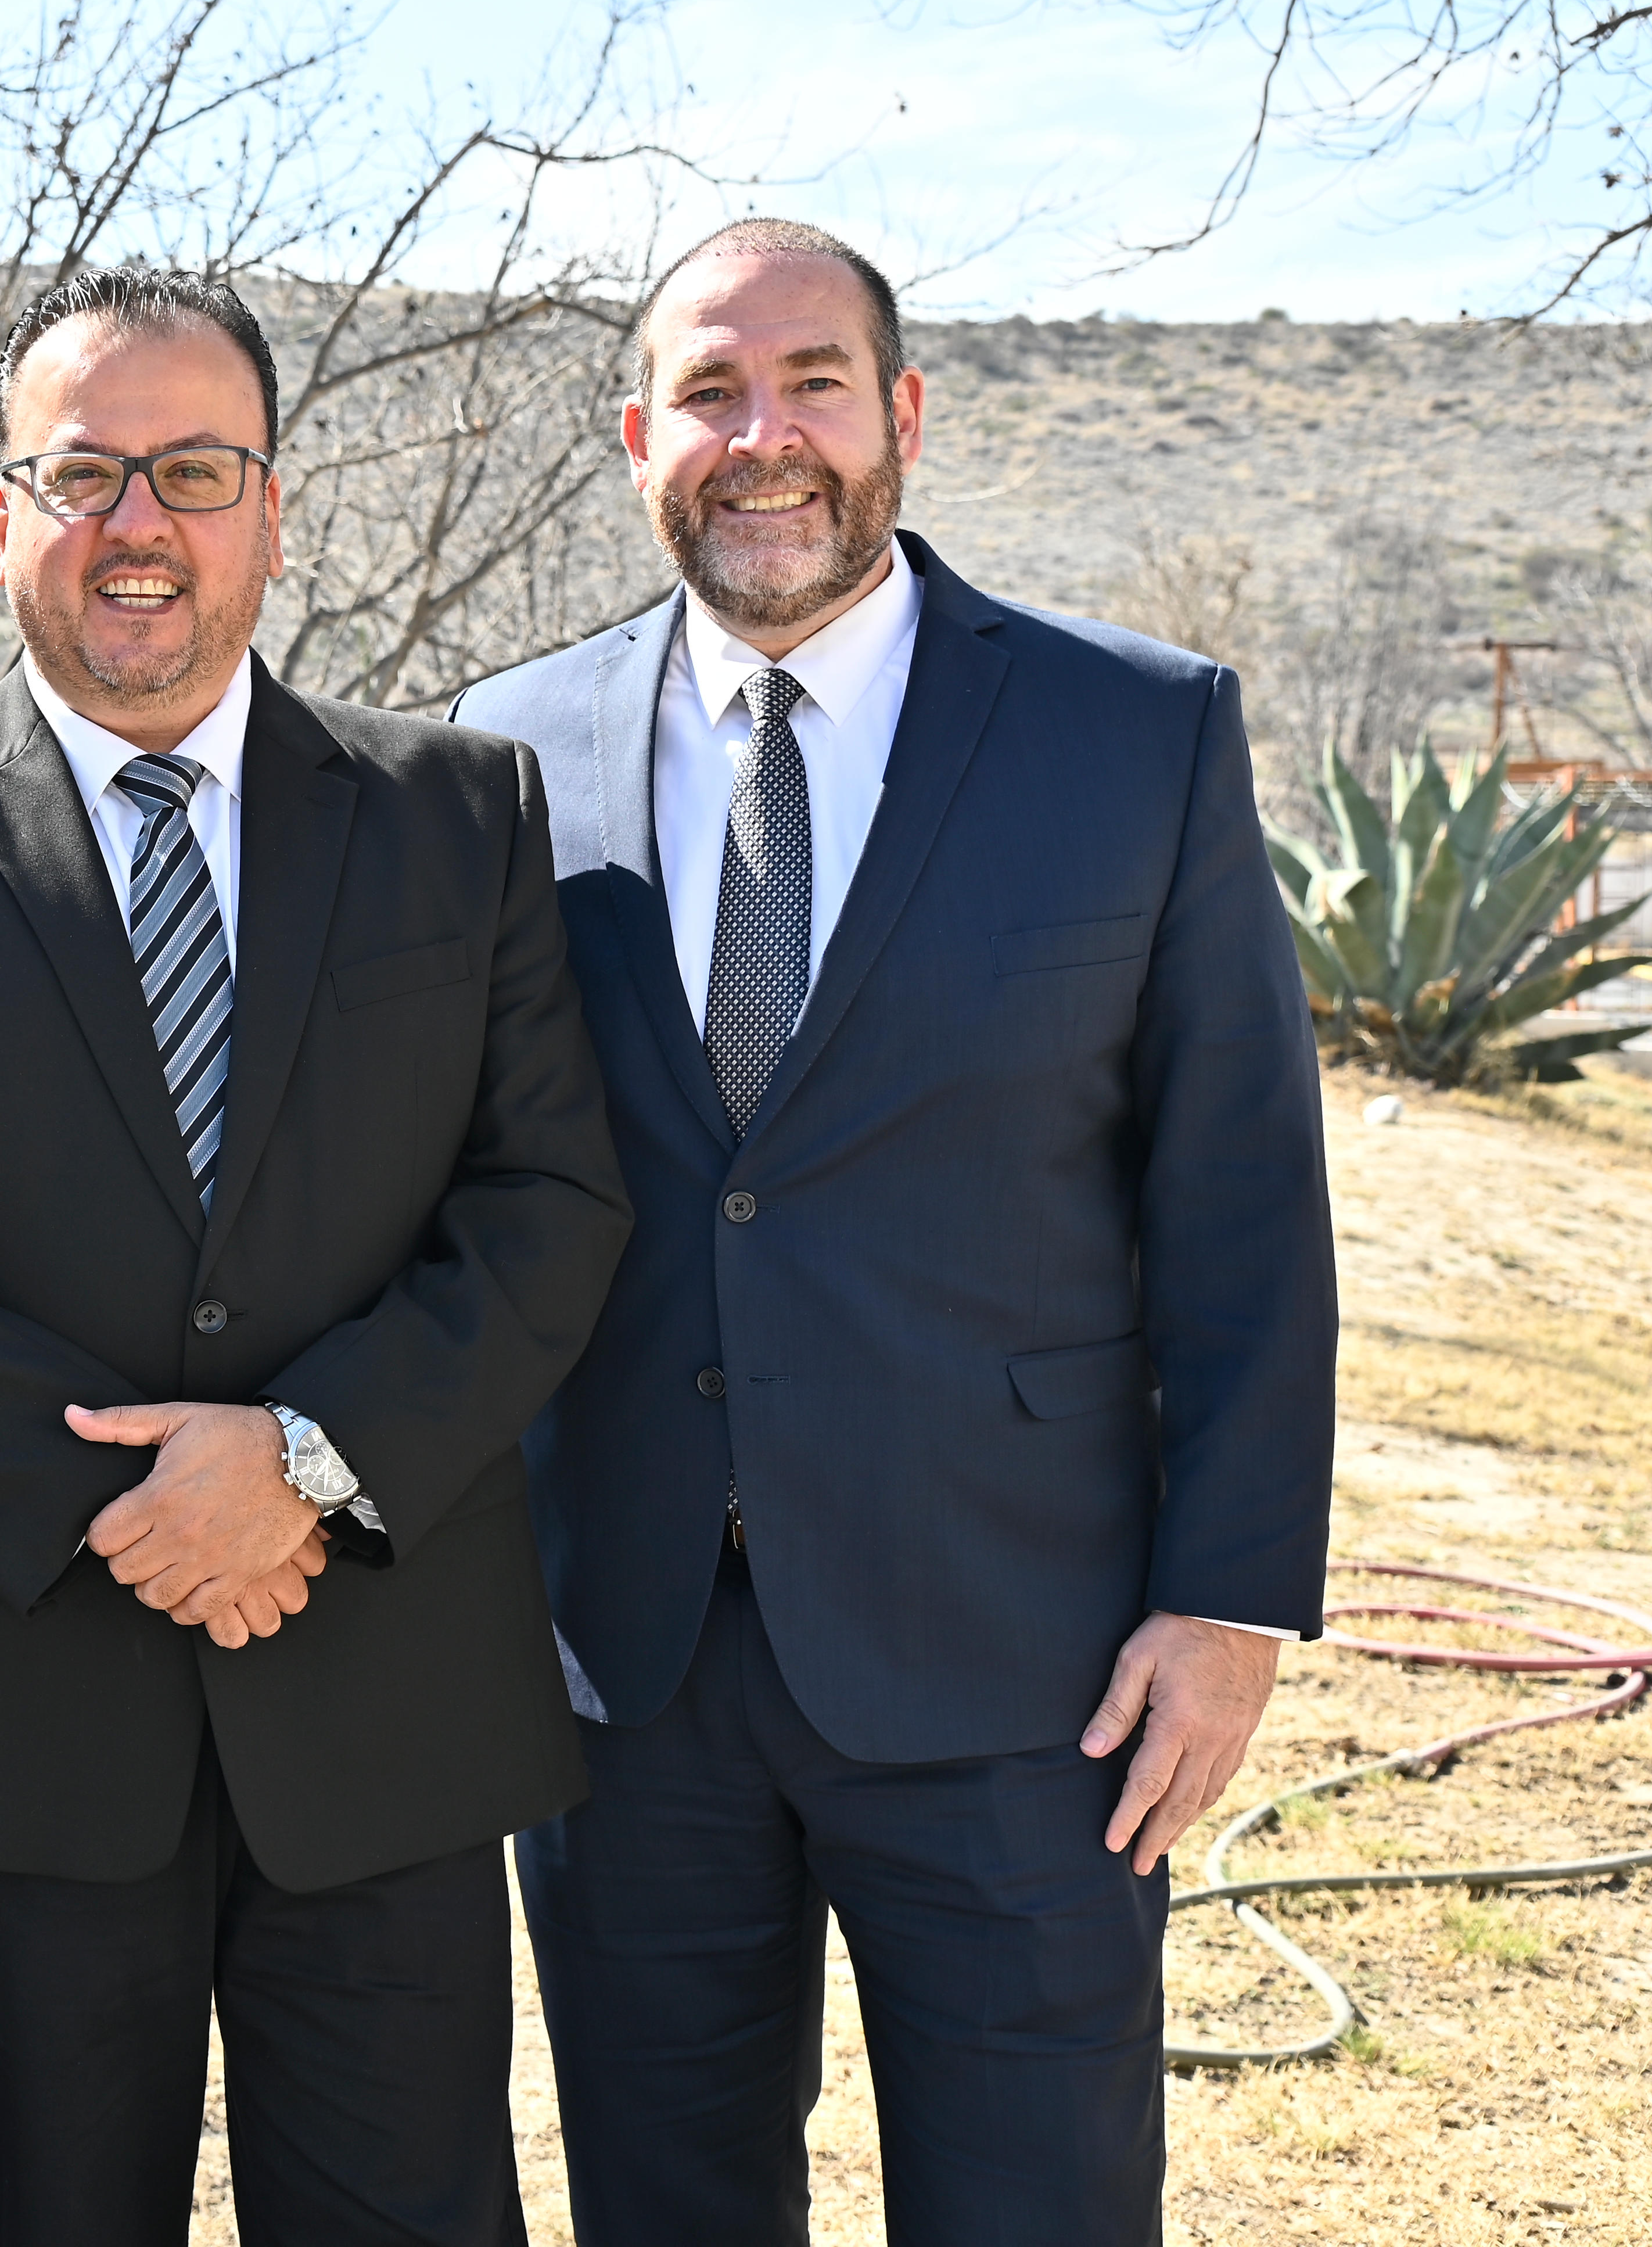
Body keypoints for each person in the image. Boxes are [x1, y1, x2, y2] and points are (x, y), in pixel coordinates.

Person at [0, 265, 637, 2247]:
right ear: (4, 520)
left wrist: (295, 1460)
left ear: (273, 513)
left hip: (378, 1698)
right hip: (13, 1701)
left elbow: (548, 1203)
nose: (140, 523)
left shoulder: (452, 812)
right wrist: (137, 1494)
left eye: (195, 470)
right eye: (86, 473)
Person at [451, 218, 1337, 2242]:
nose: (767, 439)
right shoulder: (500, 755)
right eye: (710, 391)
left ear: (905, 413)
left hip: (1031, 1666)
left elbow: (1241, 1205)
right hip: (623, 1663)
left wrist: (1229, 1604)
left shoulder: (1137, 733)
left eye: (816, 384)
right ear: (637, 436)